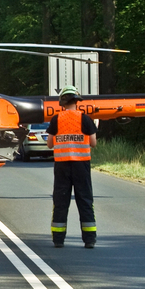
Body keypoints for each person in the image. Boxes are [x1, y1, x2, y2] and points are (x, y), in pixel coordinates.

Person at [46, 85, 99, 248]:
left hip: (62, 166)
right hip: (81, 166)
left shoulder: (56, 119)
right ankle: (89, 240)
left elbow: (49, 144)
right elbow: (93, 143)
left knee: (61, 201)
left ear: (62, 101)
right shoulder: (85, 119)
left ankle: (58, 239)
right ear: (77, 101)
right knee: (85, 200)